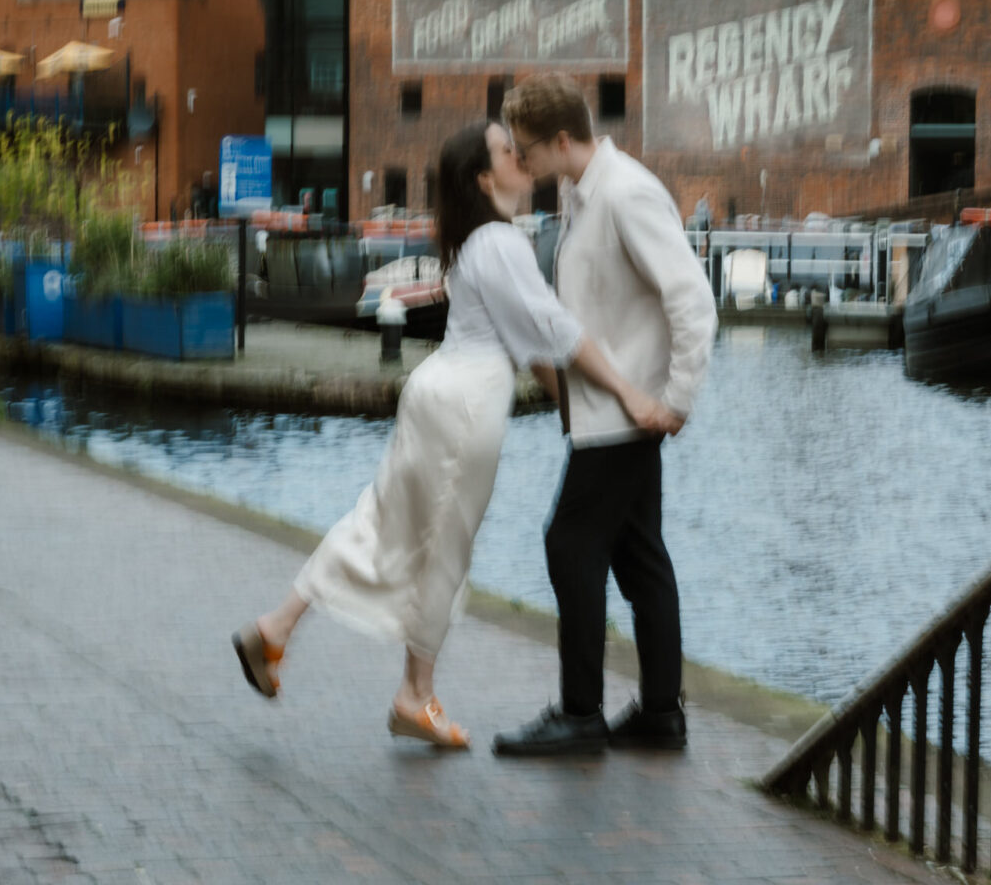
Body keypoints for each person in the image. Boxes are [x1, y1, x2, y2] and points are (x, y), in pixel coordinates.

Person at [232, 120, 679, 748]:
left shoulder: (479, 242)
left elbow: (532, 345)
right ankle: (413, 695)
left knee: (379, 522)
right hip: (466, 407)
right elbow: (557, 331)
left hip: (439, 391)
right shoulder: (500, 242)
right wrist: (627, 394)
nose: (521, 157)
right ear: (483, 177)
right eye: (506, 152)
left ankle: (275, 629)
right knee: (443, 548)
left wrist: (570, 416)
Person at [492, 74, 718, 757]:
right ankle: (658, 712)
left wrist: (676, 400)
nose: (520, 163)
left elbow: (692, 301)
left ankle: (582, 713)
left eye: (527, 150)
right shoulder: (584, 196)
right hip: (607, 411)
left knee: (570, 544)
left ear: (562, 140)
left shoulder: (625, 194)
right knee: (639, 554)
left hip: (626, 414)